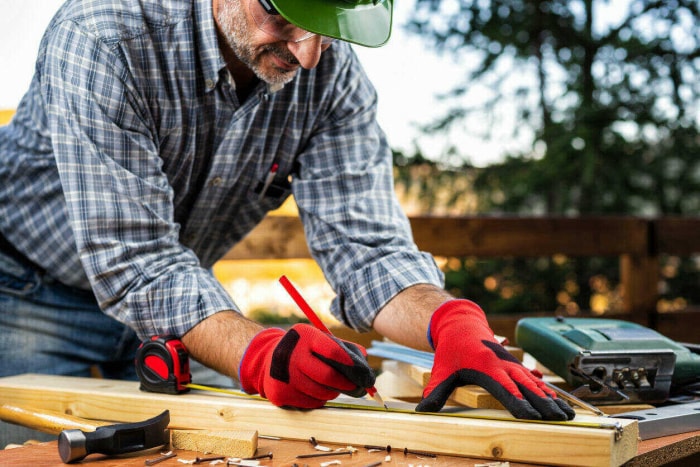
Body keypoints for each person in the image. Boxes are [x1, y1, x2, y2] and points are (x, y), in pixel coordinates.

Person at [0, 0, 575, 436]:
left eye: (326, 28)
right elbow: (136, 260)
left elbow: (367, 249)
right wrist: (259, 354)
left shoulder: (329, 73)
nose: (307, 54)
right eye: (283, 16)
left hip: (177, 305)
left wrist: (451, 324)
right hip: (27, 290)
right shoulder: (105, 34)